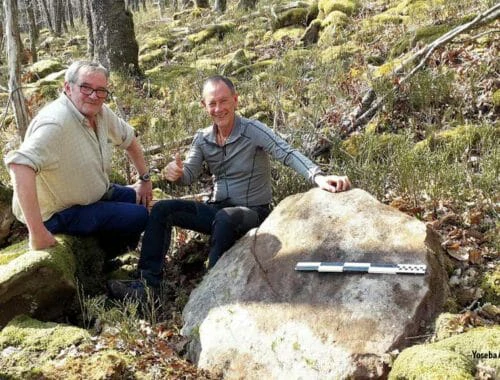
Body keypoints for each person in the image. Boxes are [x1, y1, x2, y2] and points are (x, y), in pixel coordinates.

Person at [108, 75, 350, 298]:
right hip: (217, 210)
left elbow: (285, 152)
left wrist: (317, 176)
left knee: (225, 218)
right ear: (204, 106)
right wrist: (176, 173)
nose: (219, 108)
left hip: (252, 212)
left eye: (224, 101)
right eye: (212, 103)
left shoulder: (252, 130)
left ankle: (210, 290)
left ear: (235, 100)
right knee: (162, 210)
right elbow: (189, 175)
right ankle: (147, 286)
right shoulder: (202, 138)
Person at [4, 60, 153, 259]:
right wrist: (37, 233)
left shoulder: (99, 111)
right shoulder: (55, 122)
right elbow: (19, 165)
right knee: (139, 216)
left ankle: (110, 251)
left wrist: (145, 179)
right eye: (86, 88)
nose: (94, 96)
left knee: (139, 199)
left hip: (91, 196)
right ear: (68, 87)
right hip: (58, 213)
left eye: (101, 90)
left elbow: (130, 140)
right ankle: (102, 259)